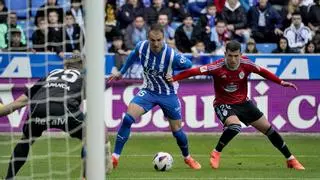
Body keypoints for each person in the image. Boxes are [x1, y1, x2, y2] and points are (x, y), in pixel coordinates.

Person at [166, 40, 305, 170]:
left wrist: (281, 82)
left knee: (269, 130)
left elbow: (263, 72)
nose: (233, 59)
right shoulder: (216, 67)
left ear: (241, 55)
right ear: (225, 54)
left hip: (244, 103)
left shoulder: (247, 64)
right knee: (235, 126)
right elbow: (193, 71)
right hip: (223, 104)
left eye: (236, 56)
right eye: (230, 56)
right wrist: (175, 78)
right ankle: (216, 152)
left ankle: (290, 159)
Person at [0, 53, 112, 179]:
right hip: (64, 109)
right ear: (82, 66)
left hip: (38, 109)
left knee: (25, 141)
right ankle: (85, 177)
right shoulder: (83, 77)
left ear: (66, 66)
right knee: (91, 139)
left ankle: (9, 178)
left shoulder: (49, 75)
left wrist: (2, 111)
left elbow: (20, 102)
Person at [108, 23, 201, 170]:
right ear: (148, 38)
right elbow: (132, 56)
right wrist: (121, 72)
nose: (156, 44)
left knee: (177, 131)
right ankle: (115, 157)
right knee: (127, 118)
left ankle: (187, 158)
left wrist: (175, 77)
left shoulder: (171, 55)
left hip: (168, 94)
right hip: (149, 91)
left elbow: (189, 65)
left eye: (159, 40)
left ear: (163, 38)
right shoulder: (142, 47)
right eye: (153, 40)